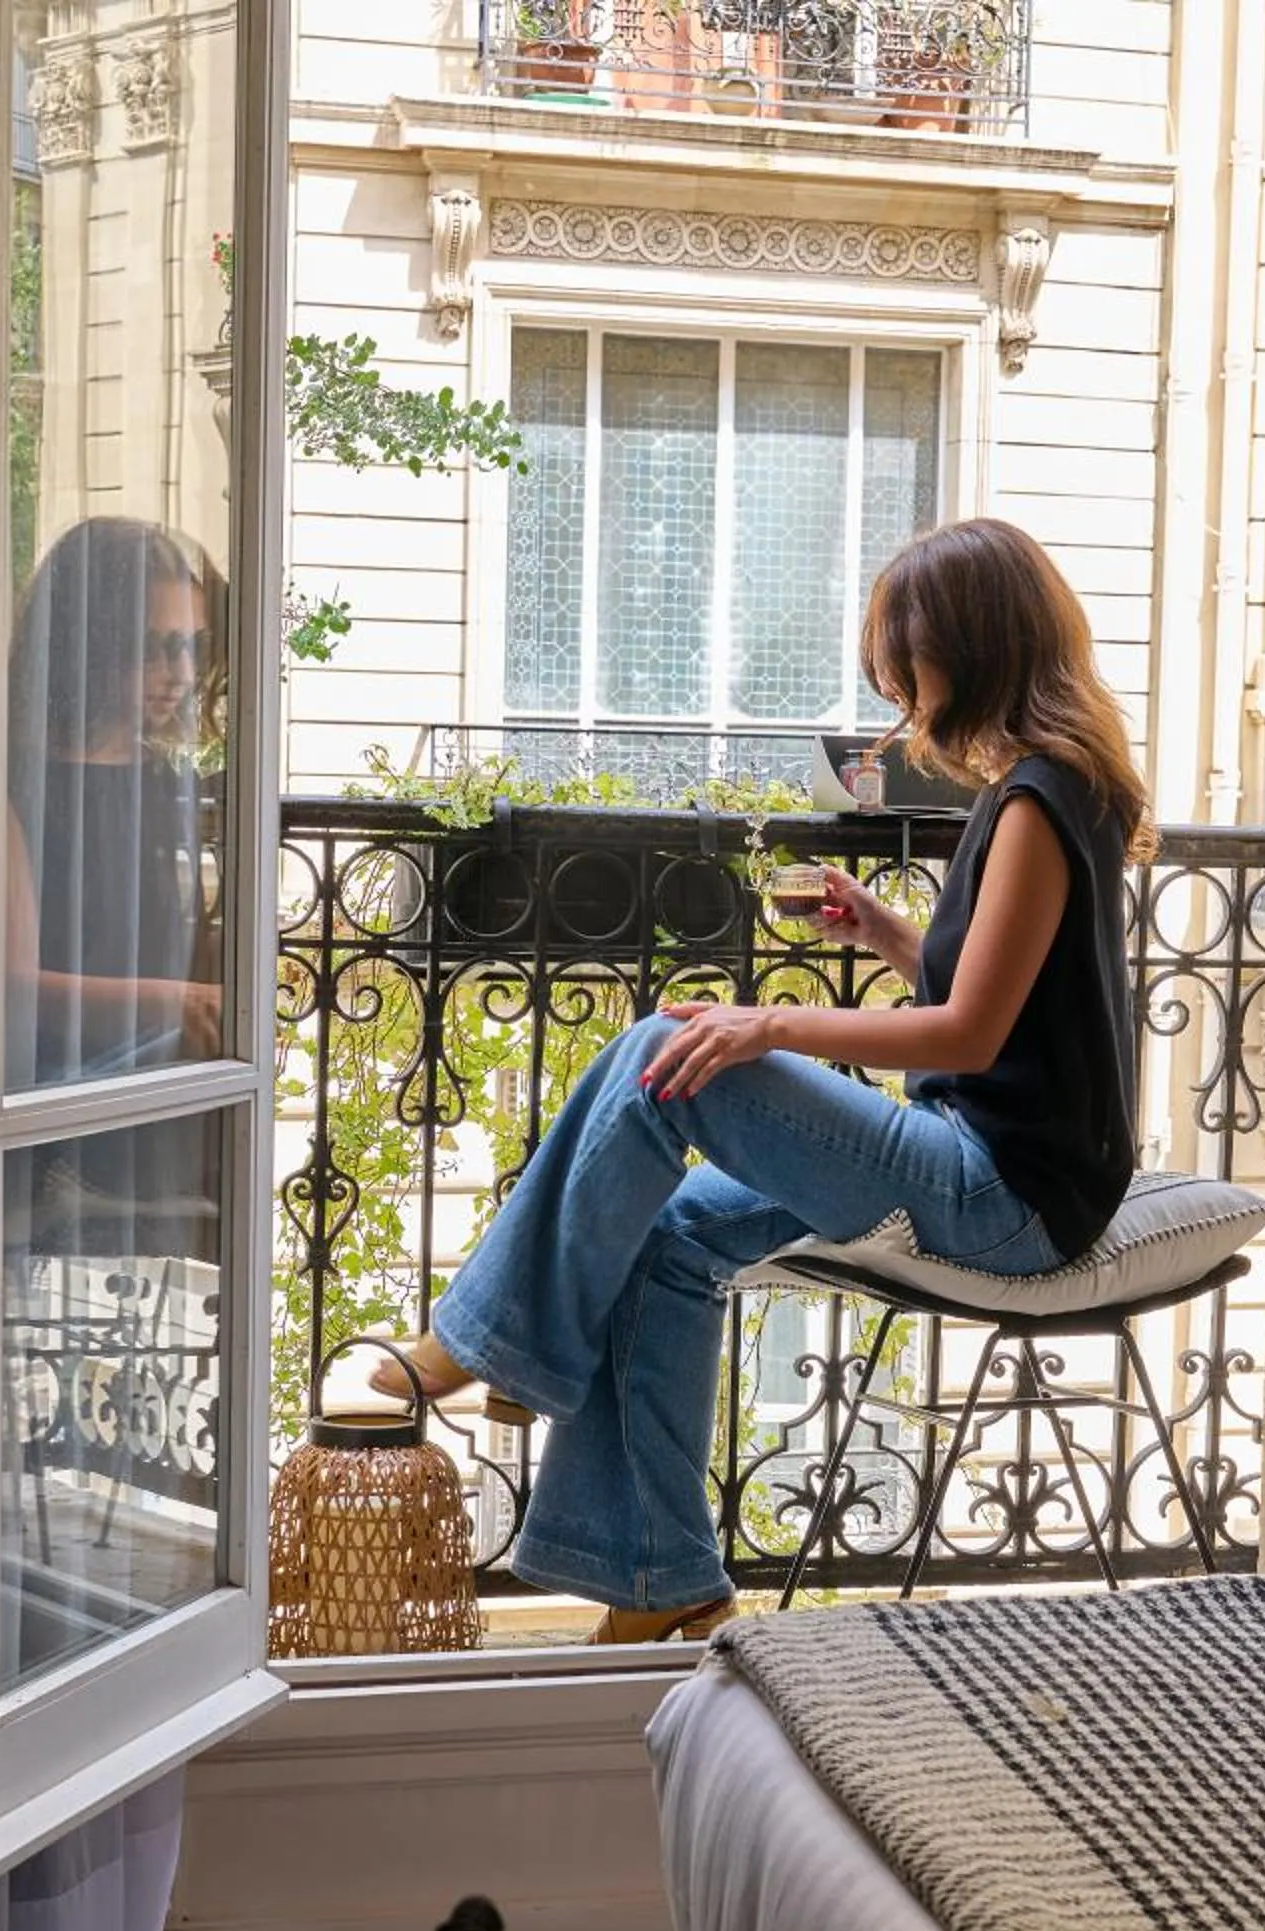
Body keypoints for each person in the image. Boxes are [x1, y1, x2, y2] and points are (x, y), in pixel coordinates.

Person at [370, 517, 1152, 1643]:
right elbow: (1006, 1000)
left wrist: (768, 1022)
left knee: (663, 1051)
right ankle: (664, 1579)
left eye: (908, 665)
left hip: (1002, 1195)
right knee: (665, 1233)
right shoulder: (1052, 789)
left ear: (970, 651)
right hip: (999, 1170)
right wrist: (883, 926)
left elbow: (971, 1035)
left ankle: (492, 1338)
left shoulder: (1035, 800)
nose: (901, 696)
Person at [4, 515, 227, 1255]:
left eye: (192, 646)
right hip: (44, 1127)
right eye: (157, 647)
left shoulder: (156, 779)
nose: (183, 673)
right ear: (90, 641)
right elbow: (11, 992)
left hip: (149, 1117)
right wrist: (177, 1005)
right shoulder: (4, 777)